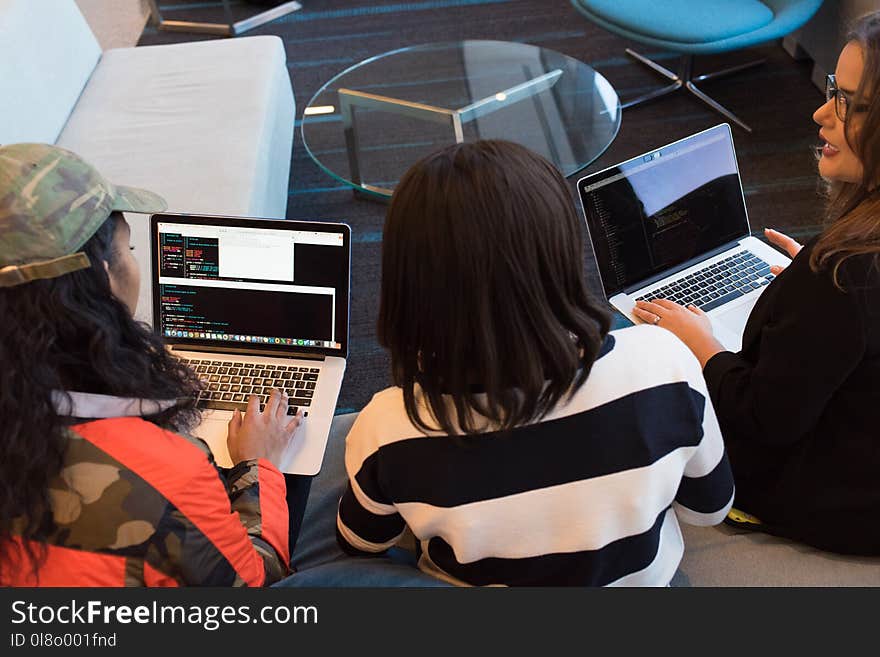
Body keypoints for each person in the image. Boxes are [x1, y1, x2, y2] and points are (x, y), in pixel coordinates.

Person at [335, 140, 734, 586]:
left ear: (407, 282)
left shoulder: (389, 427)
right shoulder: (666, 361)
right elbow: (709, 508)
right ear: (562, 252)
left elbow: (361, 541)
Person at [633, 12, 880, 555]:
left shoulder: (842, 273)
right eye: (833, 90)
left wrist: (703, 347)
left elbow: (767, 421)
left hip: (842, 502)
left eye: (851, 105)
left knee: (645, 380)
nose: (820, 113)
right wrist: (805, 299)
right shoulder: (846, 270)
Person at [0, 143, 302, 586]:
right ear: (102, 277)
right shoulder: (166, 478)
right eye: (129, 248)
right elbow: (253, 581)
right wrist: (260, 465)